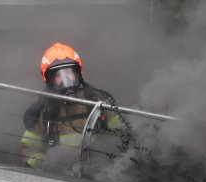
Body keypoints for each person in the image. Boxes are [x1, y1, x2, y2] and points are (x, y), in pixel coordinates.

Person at [20, 42, 126, 170]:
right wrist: (44, 165)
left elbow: (122, 136)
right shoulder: (45, 111)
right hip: (60, 175)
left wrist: (113, 163)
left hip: (98, 172)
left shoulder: (96, 102)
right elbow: (29, 147)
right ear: (50, 80)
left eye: (69, 73)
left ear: (77, 74)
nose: (66, 80)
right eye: (58, 75)